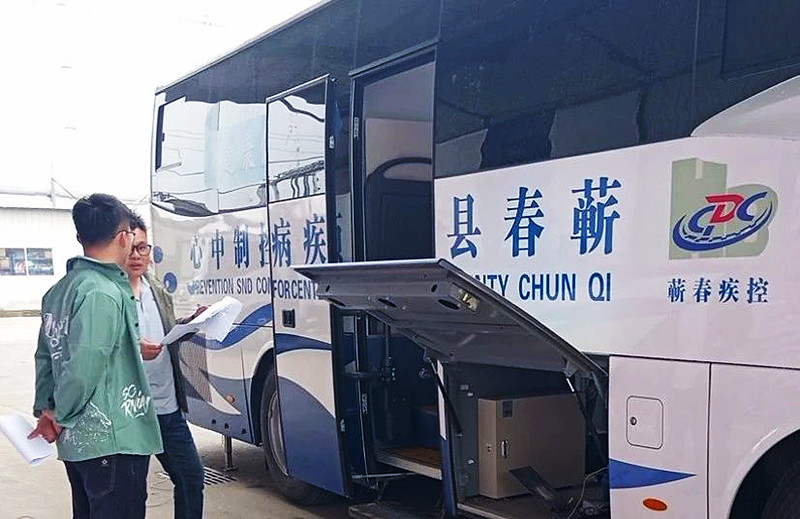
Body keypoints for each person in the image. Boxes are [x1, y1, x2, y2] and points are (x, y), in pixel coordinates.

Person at [30, 193, 163, 519]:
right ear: (124, 237)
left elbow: (45, 357)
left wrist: (47, 407)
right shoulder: (102, 292)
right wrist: (58, 415)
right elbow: (83, 366)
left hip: (81, 445)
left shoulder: (60, 290)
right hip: (111, 440)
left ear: (80, 238)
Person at [125, 211, 205, 519]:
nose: (137, 255)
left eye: (142, 247)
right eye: (130, 248)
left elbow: (168, 332)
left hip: (168, 408)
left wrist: (192, 322)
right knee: (133, 494)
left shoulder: (155, 288)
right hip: (132, 411)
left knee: (191, 478)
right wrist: (134, 350)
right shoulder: (110, 294)